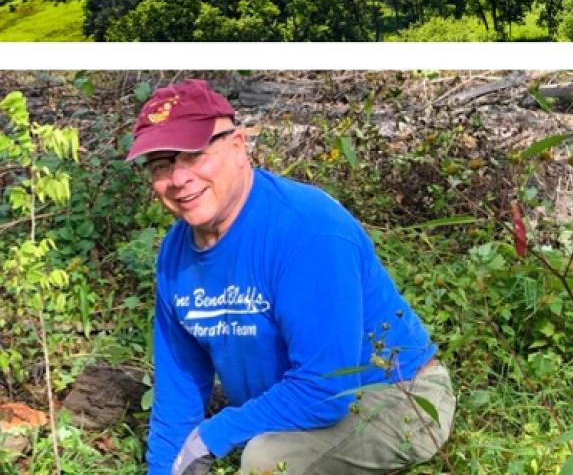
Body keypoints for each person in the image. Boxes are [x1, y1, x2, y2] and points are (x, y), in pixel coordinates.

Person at [129, 79, 454, 475]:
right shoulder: (175, 253)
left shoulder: (306, 231)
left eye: (194, 155)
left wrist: (214, 434)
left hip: (399, 398)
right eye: (161, 164)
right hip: (300, 405)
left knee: (266, 459)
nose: (178, 179)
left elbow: (326, 388)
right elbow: (179, 386)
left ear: (237, 145)